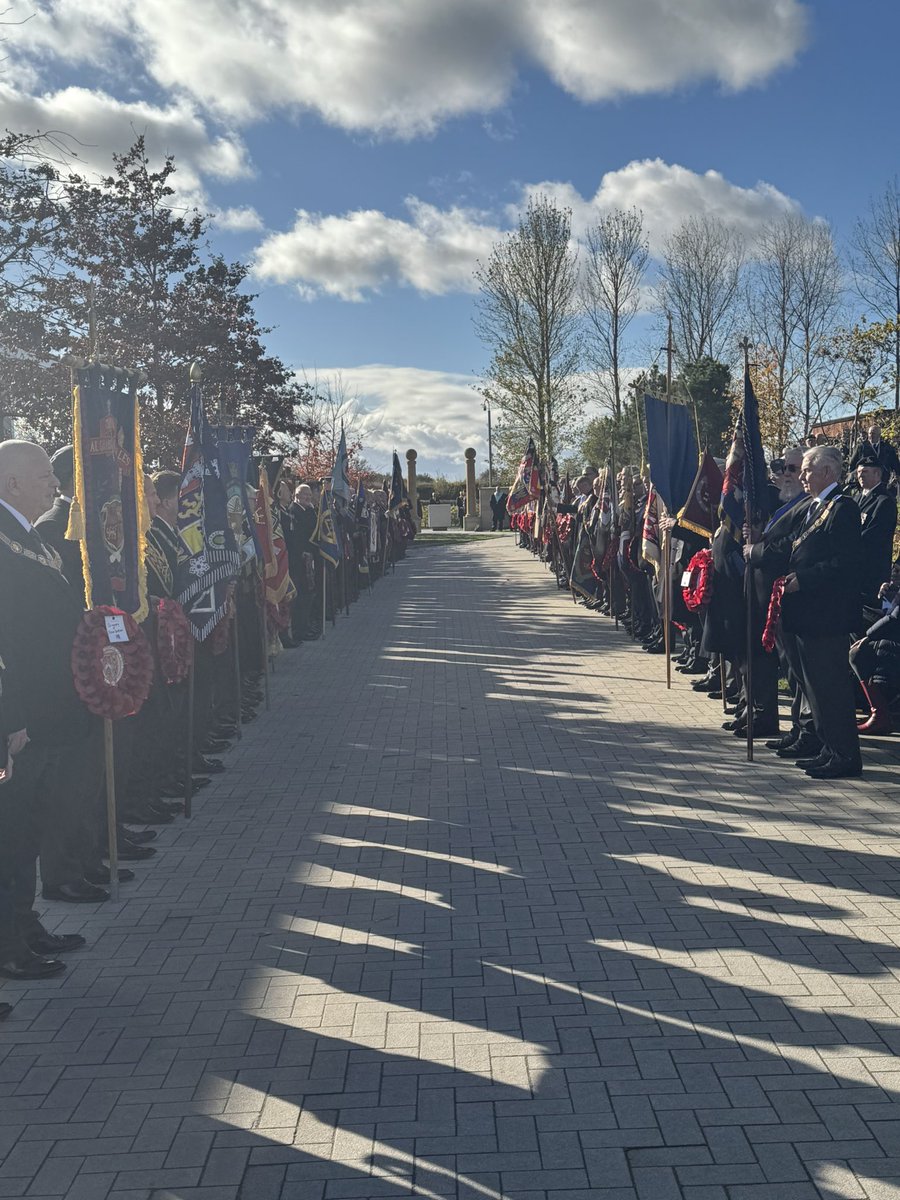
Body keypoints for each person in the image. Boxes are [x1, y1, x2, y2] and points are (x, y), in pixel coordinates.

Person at [0, 440, 94, 980]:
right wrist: (10, 719)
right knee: (9, 835)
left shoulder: (25, 535)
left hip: (46, 711)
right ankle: (8, 945)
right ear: (12, 483)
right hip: (21, 720)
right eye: (43, 477)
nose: (55, 485)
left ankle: (24, 924)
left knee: (28, 830)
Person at [780, 445, 863, 779]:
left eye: (808, 468)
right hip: (808, 614)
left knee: (831, 687)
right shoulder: (816, 507)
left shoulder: (843, 509)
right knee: (814, 686)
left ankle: (846, 756)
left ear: (828, 472)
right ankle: (829, 748)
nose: (802, 474)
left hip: (828, 615)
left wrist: (806, 578)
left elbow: (846, 564)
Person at [854, 456, 897, 607]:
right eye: (858, 472)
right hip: (854, 572)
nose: (860, 475)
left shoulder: (884, 501)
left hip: (872, 572)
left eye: (865, 471)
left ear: (877, 474)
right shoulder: (857, 498)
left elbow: (873, 538)